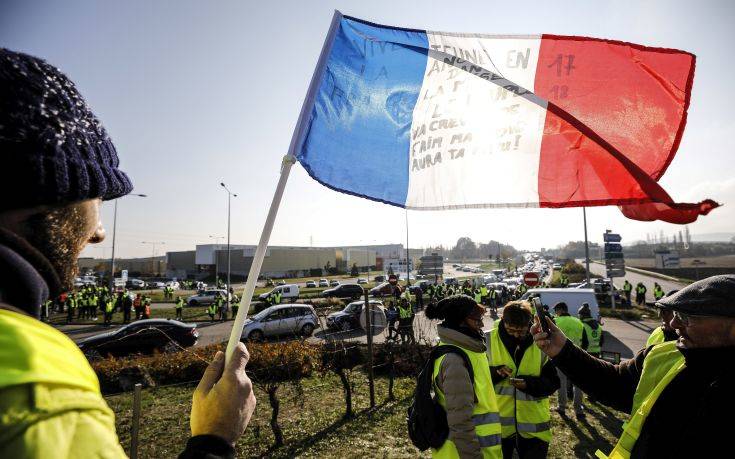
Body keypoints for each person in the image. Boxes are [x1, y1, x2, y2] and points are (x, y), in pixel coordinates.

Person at [0, 48, 255, 458]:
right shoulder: (37, 388)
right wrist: (214, 439)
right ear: (45, 194)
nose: (99, 231)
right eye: (96, 200)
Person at [531, 275, 735, 458]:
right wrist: (562, 351)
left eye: (687, 317)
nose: (673, 324)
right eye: (675, 314)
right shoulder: (664, 356)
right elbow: (611, 383)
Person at [424, 295, 503, 458]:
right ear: (460, 322)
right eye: (476, 320)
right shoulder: (454, 360)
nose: (481, 324)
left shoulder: (468, 350)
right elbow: (460, 421)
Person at [488, 301, 559, 459]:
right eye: (510, 330)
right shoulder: (486, 340)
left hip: (534, 431)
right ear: (503, 320)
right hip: (498, 429)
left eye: (521, 331)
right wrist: (495, 373)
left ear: (529, 325)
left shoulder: (540, 343)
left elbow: (553, 383)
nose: (515, 335)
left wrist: (528, 384)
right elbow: (475, 379)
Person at [551, 302, 587, 418]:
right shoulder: (578, 322)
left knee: (561, 383)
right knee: (578, 384)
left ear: (560, 310)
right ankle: (578, 409)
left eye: (556, 310)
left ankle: (561, 407)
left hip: (560, 357)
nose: (555, 313)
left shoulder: (555, 322)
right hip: (576, 357)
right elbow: (585, 342)